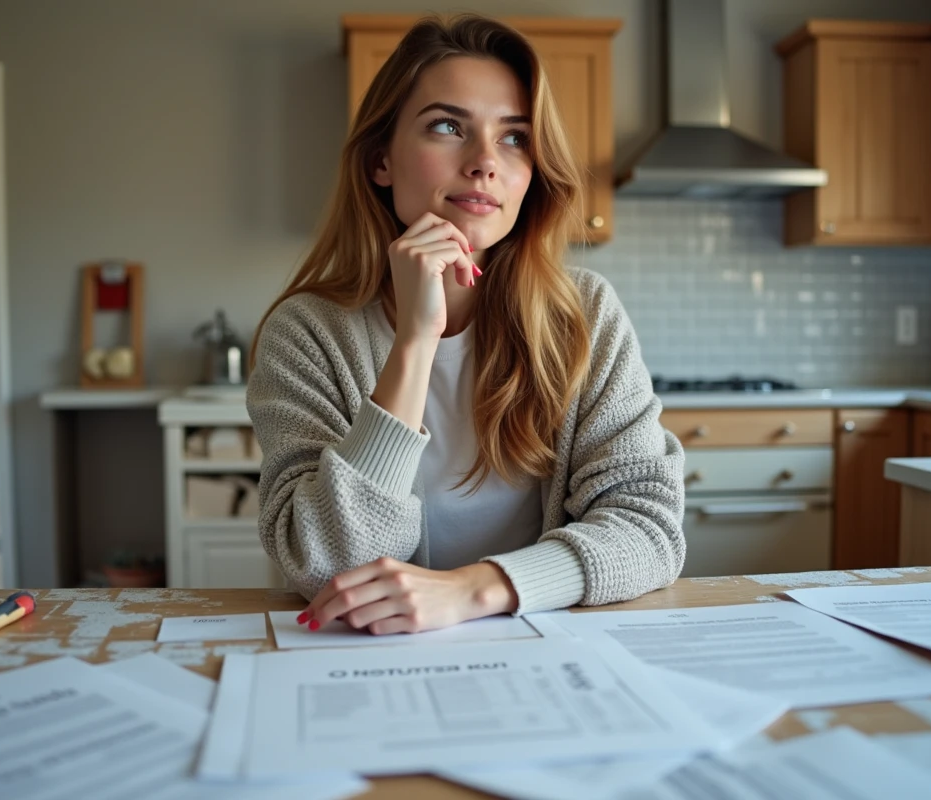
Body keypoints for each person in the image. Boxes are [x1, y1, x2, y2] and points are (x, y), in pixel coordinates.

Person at [246, 13, 685, 636]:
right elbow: (327, 566)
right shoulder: (308, 331)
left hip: (552, 645)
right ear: (381, 162)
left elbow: (650, 531)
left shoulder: (584, 315)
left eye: (514, 137)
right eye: (448, 126)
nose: (485, 162)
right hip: (366, 659)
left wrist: (474, 590)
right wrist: (414, 343)